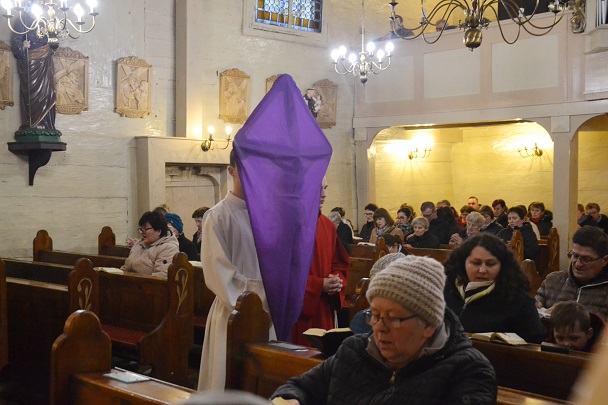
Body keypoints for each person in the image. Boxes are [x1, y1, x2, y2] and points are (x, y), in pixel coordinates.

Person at [272, 256, 497, 404]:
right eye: (375, 315)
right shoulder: (355, 350)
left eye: (393, 318)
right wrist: (290, 400)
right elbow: (299, 387)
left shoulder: (467, 370)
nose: (379, 328)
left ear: (429, 324)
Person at [198, 149, 276, 391]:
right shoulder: (217, 216)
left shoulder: (267, 214)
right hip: (232, 311)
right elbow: (218, 273)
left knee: (263, 382)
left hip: (268, 312)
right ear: (231, 171)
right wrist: (263, 294)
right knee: (229, 381)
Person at [444, 234, 546, 343]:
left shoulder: (518, 300)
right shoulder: (445, 289)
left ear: (502, 266)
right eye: (476, 263)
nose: (482, 270)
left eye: (490, 264)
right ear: (463, 262)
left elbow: (535, 343)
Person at [291, 177, 350, 346]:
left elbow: (339, 263)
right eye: (319, 189)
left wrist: (336, 280)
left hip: (324, 306)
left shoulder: (328, 225)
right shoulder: (289, 226)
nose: (324, 195)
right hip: (300, 309)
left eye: (326, 188)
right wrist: (318, 285)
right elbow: (281, 274)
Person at [536, 226, 608, 320]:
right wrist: (532, 307)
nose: (578, 264)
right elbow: (536, 308)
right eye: (575, 256)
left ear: (604, 260)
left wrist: (571, 314)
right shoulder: (552, 280)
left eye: (586, 259)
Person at [11, 1, 57, 131]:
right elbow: (16, 42)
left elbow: (54, 43)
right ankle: (33, 124)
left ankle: (47, 125)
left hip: (46, 60)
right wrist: (22, 46)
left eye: (43, 1)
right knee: (33, 94)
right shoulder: (22, 20)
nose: (41, 2)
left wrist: (50, 36)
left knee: (49, 92)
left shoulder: (45, 21)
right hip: (31, 62)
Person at [121, 210, 180, 278]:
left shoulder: (168, 248)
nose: (142, 233)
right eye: (141, 229)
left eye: (146, 229)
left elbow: (161, 276)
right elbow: (126, 267)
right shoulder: (139, 244)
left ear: (158, 231)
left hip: (146, 283)